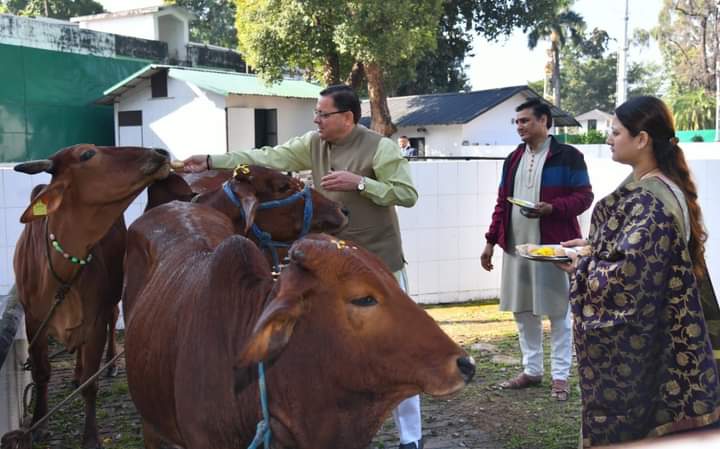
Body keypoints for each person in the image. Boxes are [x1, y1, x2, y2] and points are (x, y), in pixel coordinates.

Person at [183, 85, 425, 449]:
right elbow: (267, 157)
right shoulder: (312, 144)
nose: (316, 120)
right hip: (330, 269)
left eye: (322, 114)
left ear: (347, 117)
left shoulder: (381, 147)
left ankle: (412, 438)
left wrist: (361, 183)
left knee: (398, 349)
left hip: (379, 266)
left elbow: (407, 194)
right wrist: (212, 160)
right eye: (316, 114)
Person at [556, 96, 720, 447]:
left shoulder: (652, 199)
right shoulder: (651, 187)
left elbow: (628, 279)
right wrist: (589, 249)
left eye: (615, 132)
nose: (608, 139)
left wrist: (579, 267)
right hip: (665, 333)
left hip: (652, 344)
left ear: (642, 139)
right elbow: (635, 255)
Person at [481, 98, 593, 401]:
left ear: (544, 121)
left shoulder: (568, 156)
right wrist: (491, 241)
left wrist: (552, 208)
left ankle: (560, 378)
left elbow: (584, 197)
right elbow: (502, 203)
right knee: (523, 311)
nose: (520, 127)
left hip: (554, 247)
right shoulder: (513, 159)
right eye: (516, 122)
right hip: (517, 248)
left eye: (525, 121)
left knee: (558, 313)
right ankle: (531, 370)